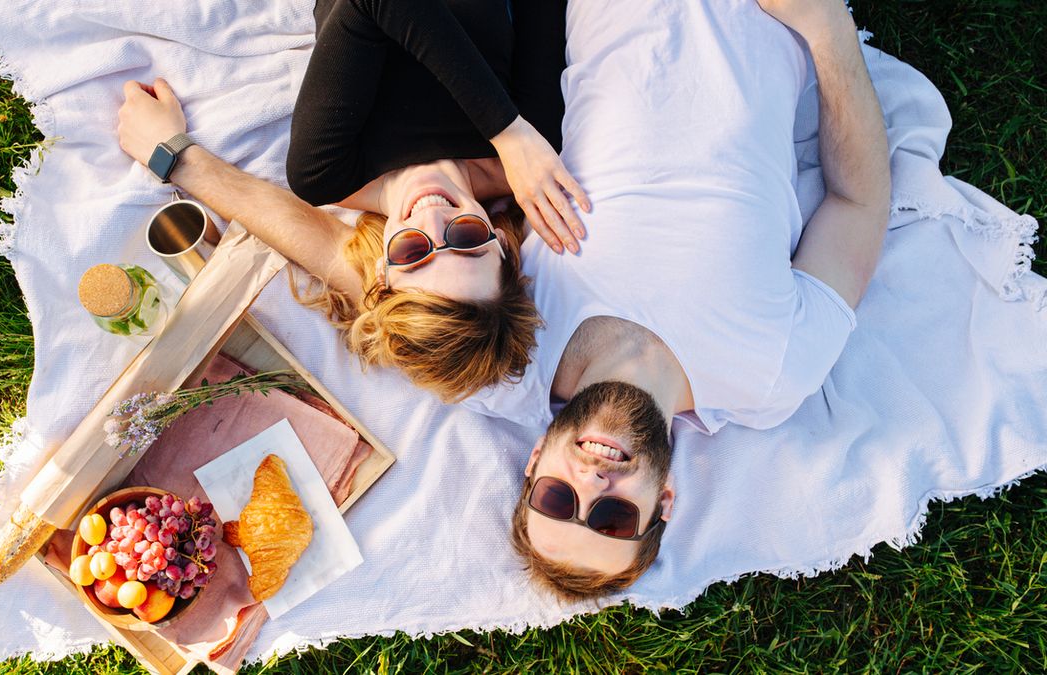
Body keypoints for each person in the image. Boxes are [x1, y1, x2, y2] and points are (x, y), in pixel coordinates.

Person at [463, 0, 891, 599]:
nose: (591, 484)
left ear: (534, 461)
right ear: (663, 501)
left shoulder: (509, 349)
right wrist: (826, 29)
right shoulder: (770, 374)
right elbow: (859, 206)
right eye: (612, 519)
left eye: (558, 500)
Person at [117, 0, 589, 403]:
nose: (433, 218)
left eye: (413, 251)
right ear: (504, 247)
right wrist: (511, 134)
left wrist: (508, 130)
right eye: (465, 239)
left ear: (381, 269)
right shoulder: (529, 152)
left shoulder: (325, 171)